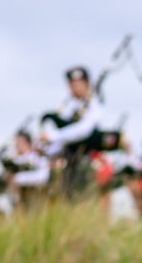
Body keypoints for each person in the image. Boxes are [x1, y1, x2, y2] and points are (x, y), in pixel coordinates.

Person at [40, 65, 103, 199]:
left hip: (86, 159)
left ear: (86, 83)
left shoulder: (93, 103)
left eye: (77, 84)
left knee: (82, 197)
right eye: (71, 84)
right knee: (66, 196)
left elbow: (84, 130)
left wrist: (53, 136)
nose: (74, 88)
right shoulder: (69, 107)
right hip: (67, 160)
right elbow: (63, 137)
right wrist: (48, 150)